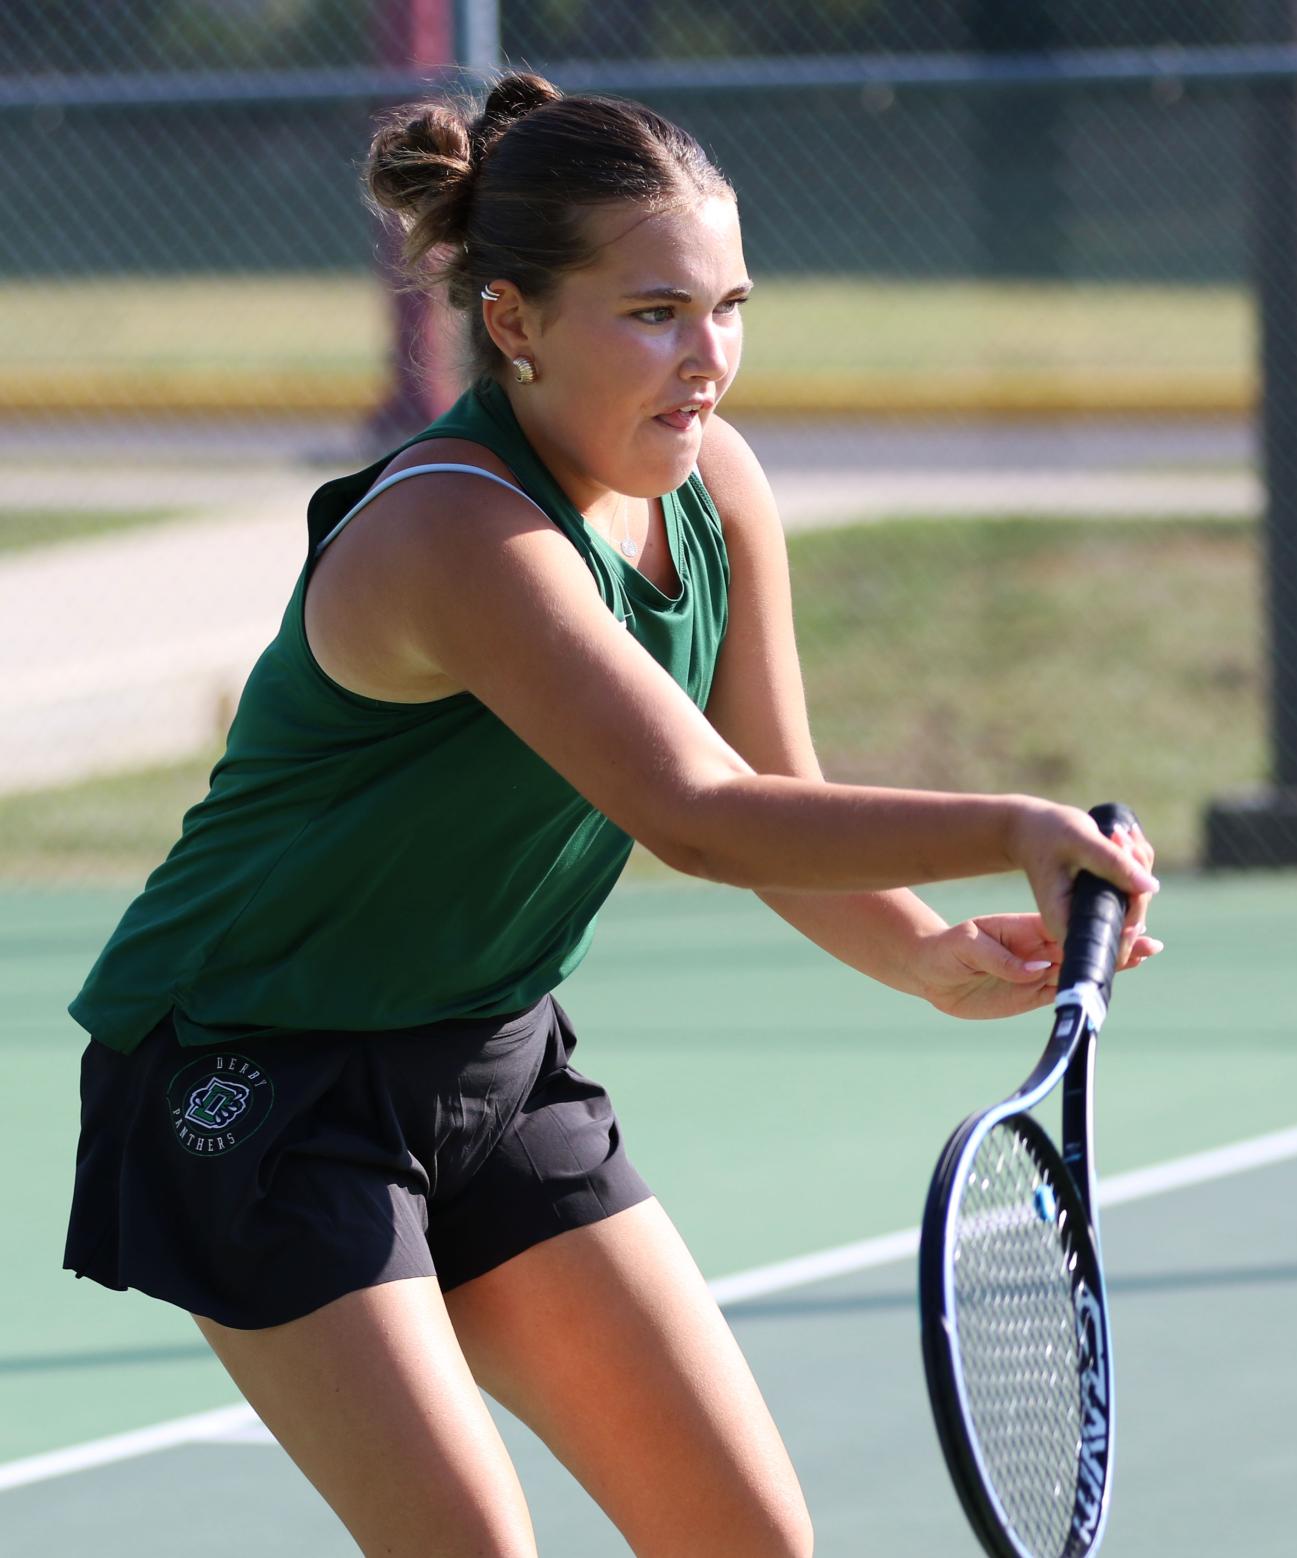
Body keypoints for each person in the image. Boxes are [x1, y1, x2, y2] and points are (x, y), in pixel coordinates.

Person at [61, 73, 1162, 1558]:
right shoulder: (458, 531)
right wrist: (1015, 824)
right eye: (654, 313)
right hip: (257, 1077)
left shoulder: (715, 488)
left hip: (492, 1057)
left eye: (730, 305)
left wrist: (913, 949)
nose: (707, 359)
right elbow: (697, 815)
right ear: (512, 321)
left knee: (749, 1539)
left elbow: (775, 789)